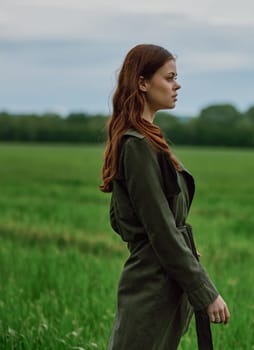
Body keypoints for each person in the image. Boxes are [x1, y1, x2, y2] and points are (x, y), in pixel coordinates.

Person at [100, 44, 230, 350]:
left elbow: (124, 220)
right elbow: (161, 230)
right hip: (150, 287)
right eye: (169, 77)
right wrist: (205, 291)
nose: (177, 84)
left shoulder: (148, 141)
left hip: (165, 283)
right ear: (143, 83)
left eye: (176, 77)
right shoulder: (137, 145)